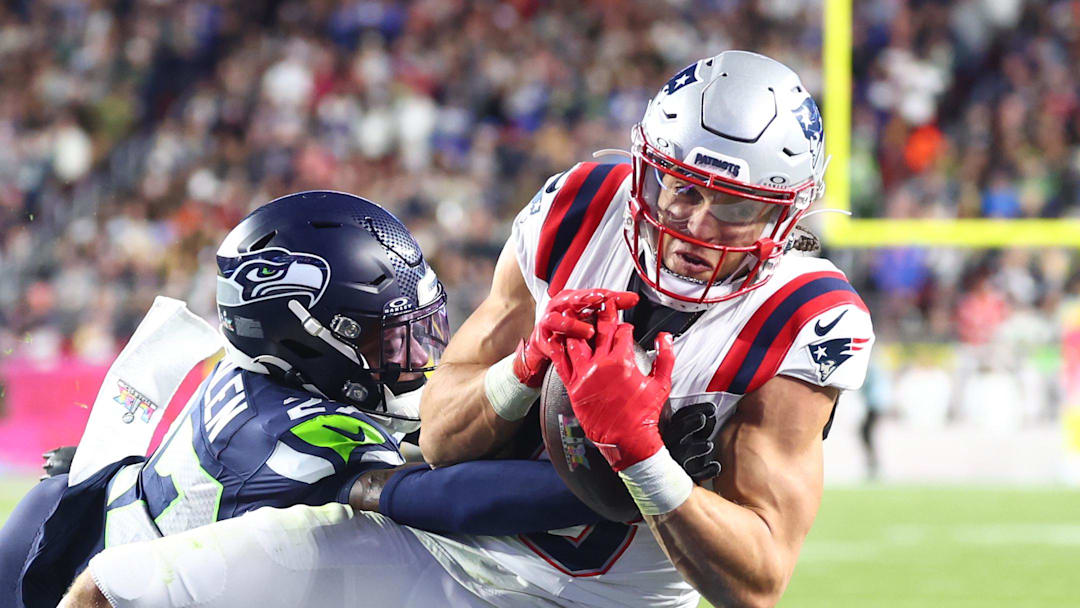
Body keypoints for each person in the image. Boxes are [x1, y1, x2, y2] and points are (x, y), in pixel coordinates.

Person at [62, 51, 874, 608]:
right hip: (444, 557)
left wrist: (642, 457)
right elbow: (445, 441)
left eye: (733, 207)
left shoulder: (803, 320)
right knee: (115, 589)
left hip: (606, 599)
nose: (693, 224)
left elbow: (760, 579)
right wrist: (525, 365)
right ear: (644, 167)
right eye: (677, 189)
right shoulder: (581, 209)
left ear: (789, 213)